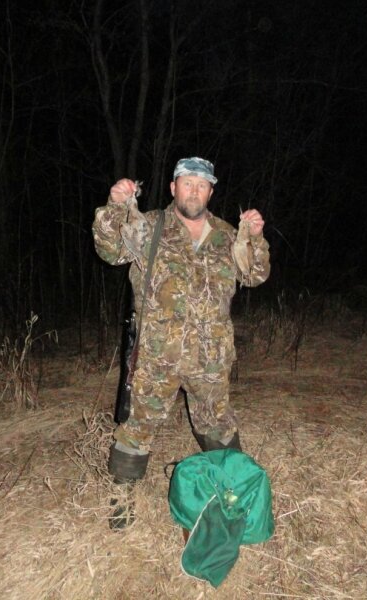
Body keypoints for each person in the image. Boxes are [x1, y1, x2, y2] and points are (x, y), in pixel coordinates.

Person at [92, 157, 270, 529]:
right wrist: (116, 206)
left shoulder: (226, 235)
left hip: (210, 357)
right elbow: (110, 250)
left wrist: (253, 236)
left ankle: (233, 493)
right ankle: (122, 500)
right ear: (174, 188)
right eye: (187, 183)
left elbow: (255, 275)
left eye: (202, 185)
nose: (194, 191)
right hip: (157, 356)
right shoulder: (149, 226)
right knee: (139, 425)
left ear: (211, 192)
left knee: (217, 424)